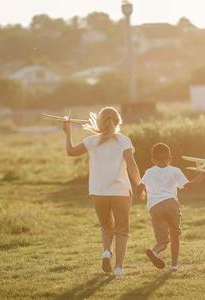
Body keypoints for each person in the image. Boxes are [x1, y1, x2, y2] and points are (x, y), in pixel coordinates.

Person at [62, 106, 141, 278]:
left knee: (106, 226)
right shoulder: (124, 140)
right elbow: (132, 164)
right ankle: (118, 268)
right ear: (118, 121)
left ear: (99, 122)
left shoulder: (91, 141)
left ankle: (106, 252)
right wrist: (140, 184)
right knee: (122, 230)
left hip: (99, 192)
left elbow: (70, 151)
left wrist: (68, 133)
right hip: (120, 191)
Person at [138, 143, 205, 272]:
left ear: (153, 160)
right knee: (175, 236)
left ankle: (154, 251)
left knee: (162, 241)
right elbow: (188, 187)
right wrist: (203, 174)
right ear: (170, 158)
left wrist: (141, 195)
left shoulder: (149, 172)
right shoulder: (175, 170)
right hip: (171, 204)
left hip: (155, 207)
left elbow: (140, 187)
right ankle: (174, 266)